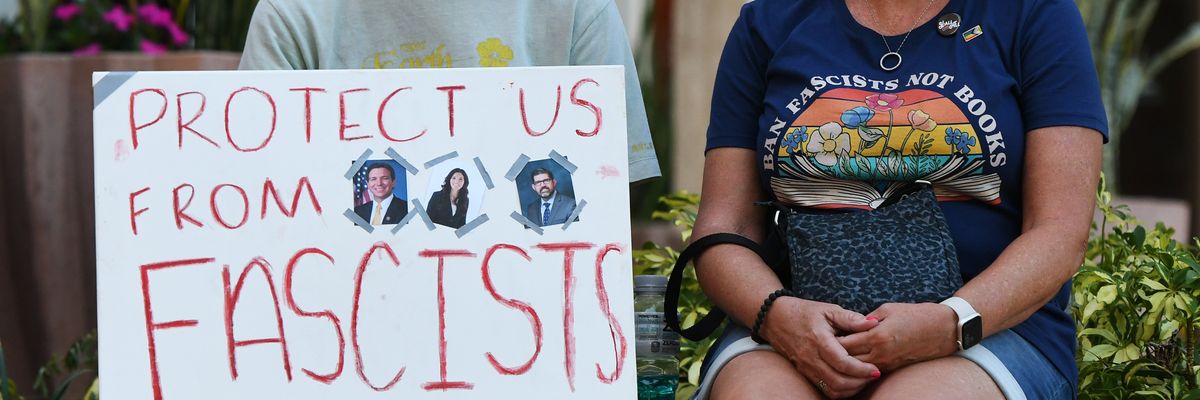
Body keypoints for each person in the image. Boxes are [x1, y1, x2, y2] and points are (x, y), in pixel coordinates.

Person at [692, 0, 1106, 399]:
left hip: (988, 330)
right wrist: (778, 316)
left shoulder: (1034, 12)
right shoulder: (768, 21)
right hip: (791, 327)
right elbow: (724, 229)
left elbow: (1060, 232)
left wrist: (951, 321)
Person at [238, 0, 661, 183]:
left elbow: (605, 200)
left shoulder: (576, 8)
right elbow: (263, 197)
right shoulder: (291, 14)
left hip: (529, 325)